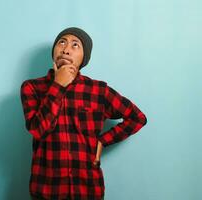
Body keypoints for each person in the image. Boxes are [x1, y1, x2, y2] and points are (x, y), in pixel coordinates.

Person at [20, 27, 147, 200]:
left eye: (75, 45)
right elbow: (38, 130)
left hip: (87, 189)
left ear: (84, 58)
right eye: (62, 42)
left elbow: (137, 117)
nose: (66, 49)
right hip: (46, 188)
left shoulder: (98, 91)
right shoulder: (32, 87)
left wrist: (103, 141)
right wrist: (58, 85)